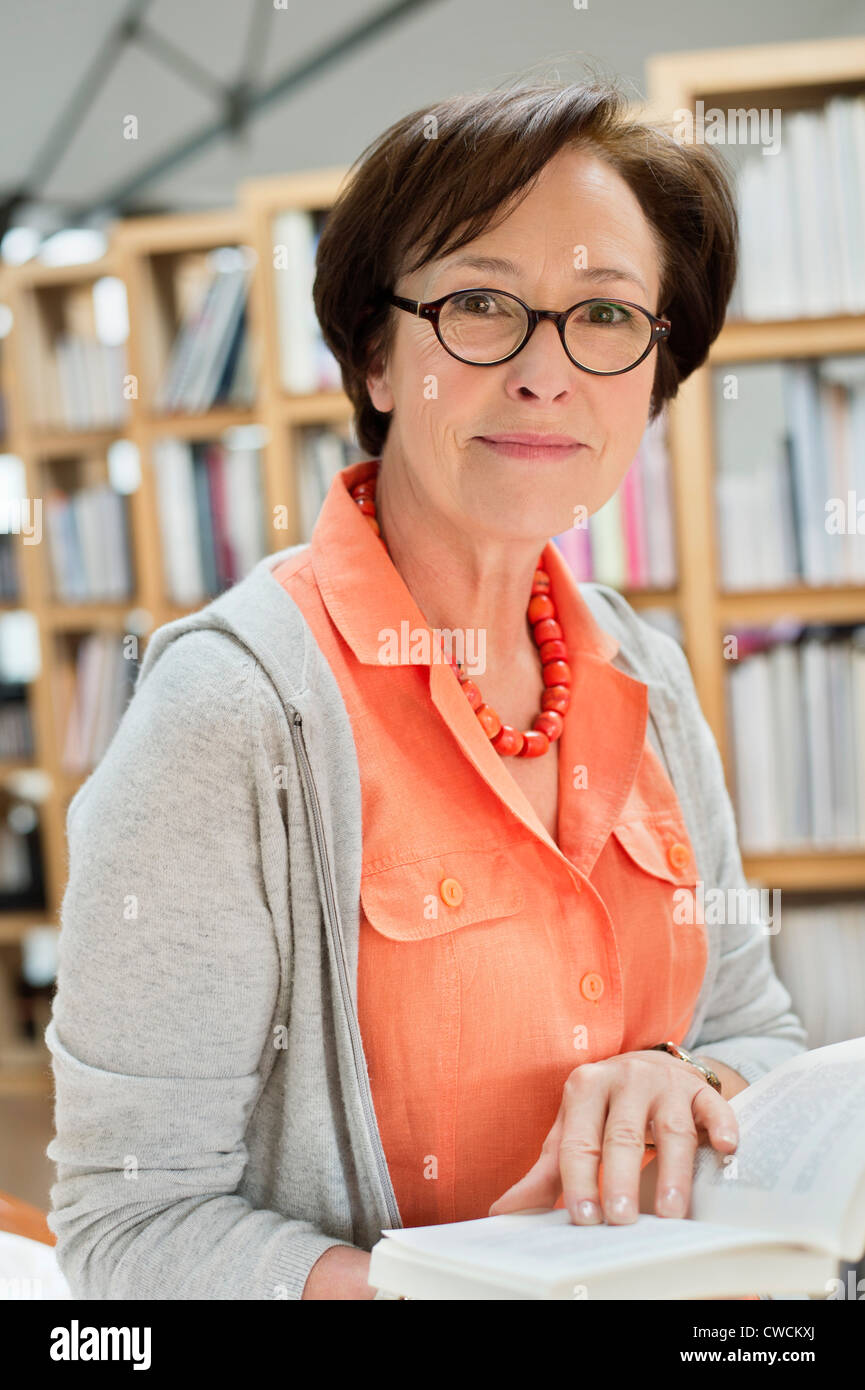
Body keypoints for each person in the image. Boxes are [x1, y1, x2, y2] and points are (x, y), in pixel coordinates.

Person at [46, 76, 807, 1302]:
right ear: (376, 355)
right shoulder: (232, 714)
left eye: (607, 315)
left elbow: (756, 1031)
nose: (546, 371)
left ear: (655, 380)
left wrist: (691, 1077)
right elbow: (134, 1225)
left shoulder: (648, 675)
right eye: (479, 304)